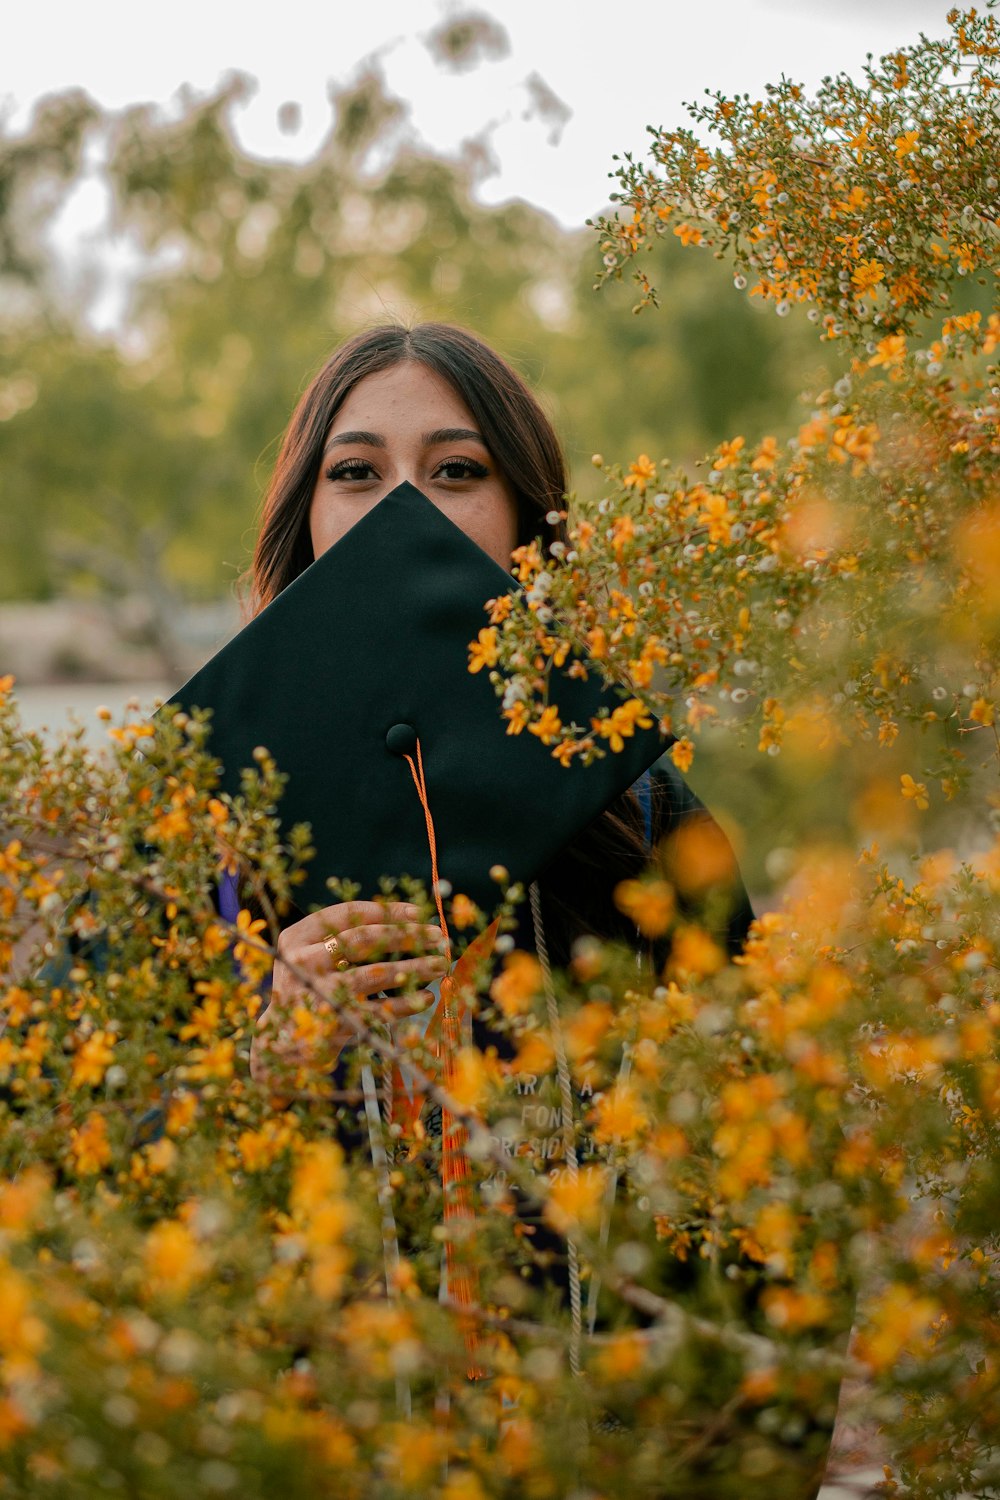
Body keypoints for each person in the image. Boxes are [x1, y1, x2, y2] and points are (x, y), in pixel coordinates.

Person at [244, 322, 755, 1089]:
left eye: (456, 469)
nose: (404, 507)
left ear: (524, 518)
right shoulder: (206, 820)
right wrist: (275, 1068)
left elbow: (754, 1112)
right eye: (356, 470)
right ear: (305, 517)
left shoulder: (641, 812)